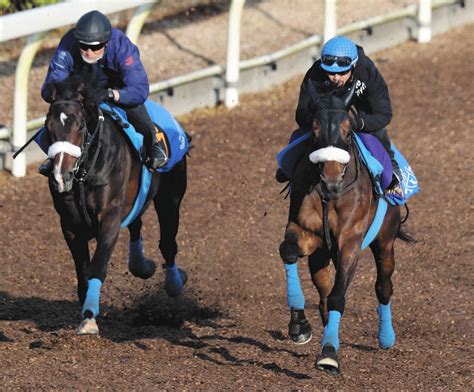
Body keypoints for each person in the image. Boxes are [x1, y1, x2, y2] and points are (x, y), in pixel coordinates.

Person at [39, 10, 168, 175]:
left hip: (116, 88)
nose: (88, 52)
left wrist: (111, 94)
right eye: (84, 46)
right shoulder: (68, 43)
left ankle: (154, 146)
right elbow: (51, 85)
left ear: (106, 44)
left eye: (95, 47)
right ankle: (55, 158)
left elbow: (140, 90)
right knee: (55, 120)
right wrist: (58, 92)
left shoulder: (121, 46)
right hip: (80, 91)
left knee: (137, 113)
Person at [276, 35, 403, 198]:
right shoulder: (313, 76)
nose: (336, 78)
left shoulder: (367, 71)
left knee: (377, 133)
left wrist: (358, 123)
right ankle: (289, 168)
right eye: (330, 72)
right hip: (325, 110)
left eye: (342, 72)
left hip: (360, 105)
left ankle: (393, 175)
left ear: (354, 65)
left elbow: (384, 114)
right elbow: (301, 115)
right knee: (300, 135)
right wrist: (316, 122)